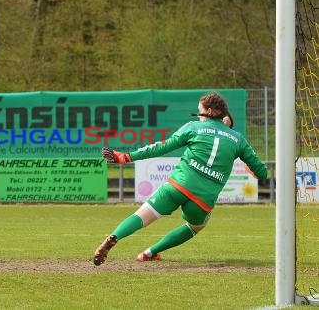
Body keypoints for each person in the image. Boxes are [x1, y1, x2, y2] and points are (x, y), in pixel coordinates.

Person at [93, 92, 267, 266]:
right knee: (195, 227)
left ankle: (114, 237)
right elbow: (262, 172)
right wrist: (254, 171)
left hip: (178, 186)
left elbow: (161, 147)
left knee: (142, 215)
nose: (198, 115)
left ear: (210, 111)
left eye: (200, 111)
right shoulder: (238, 139)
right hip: (202, 199)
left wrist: (126, 157)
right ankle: (149, 253)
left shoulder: (193, 127)